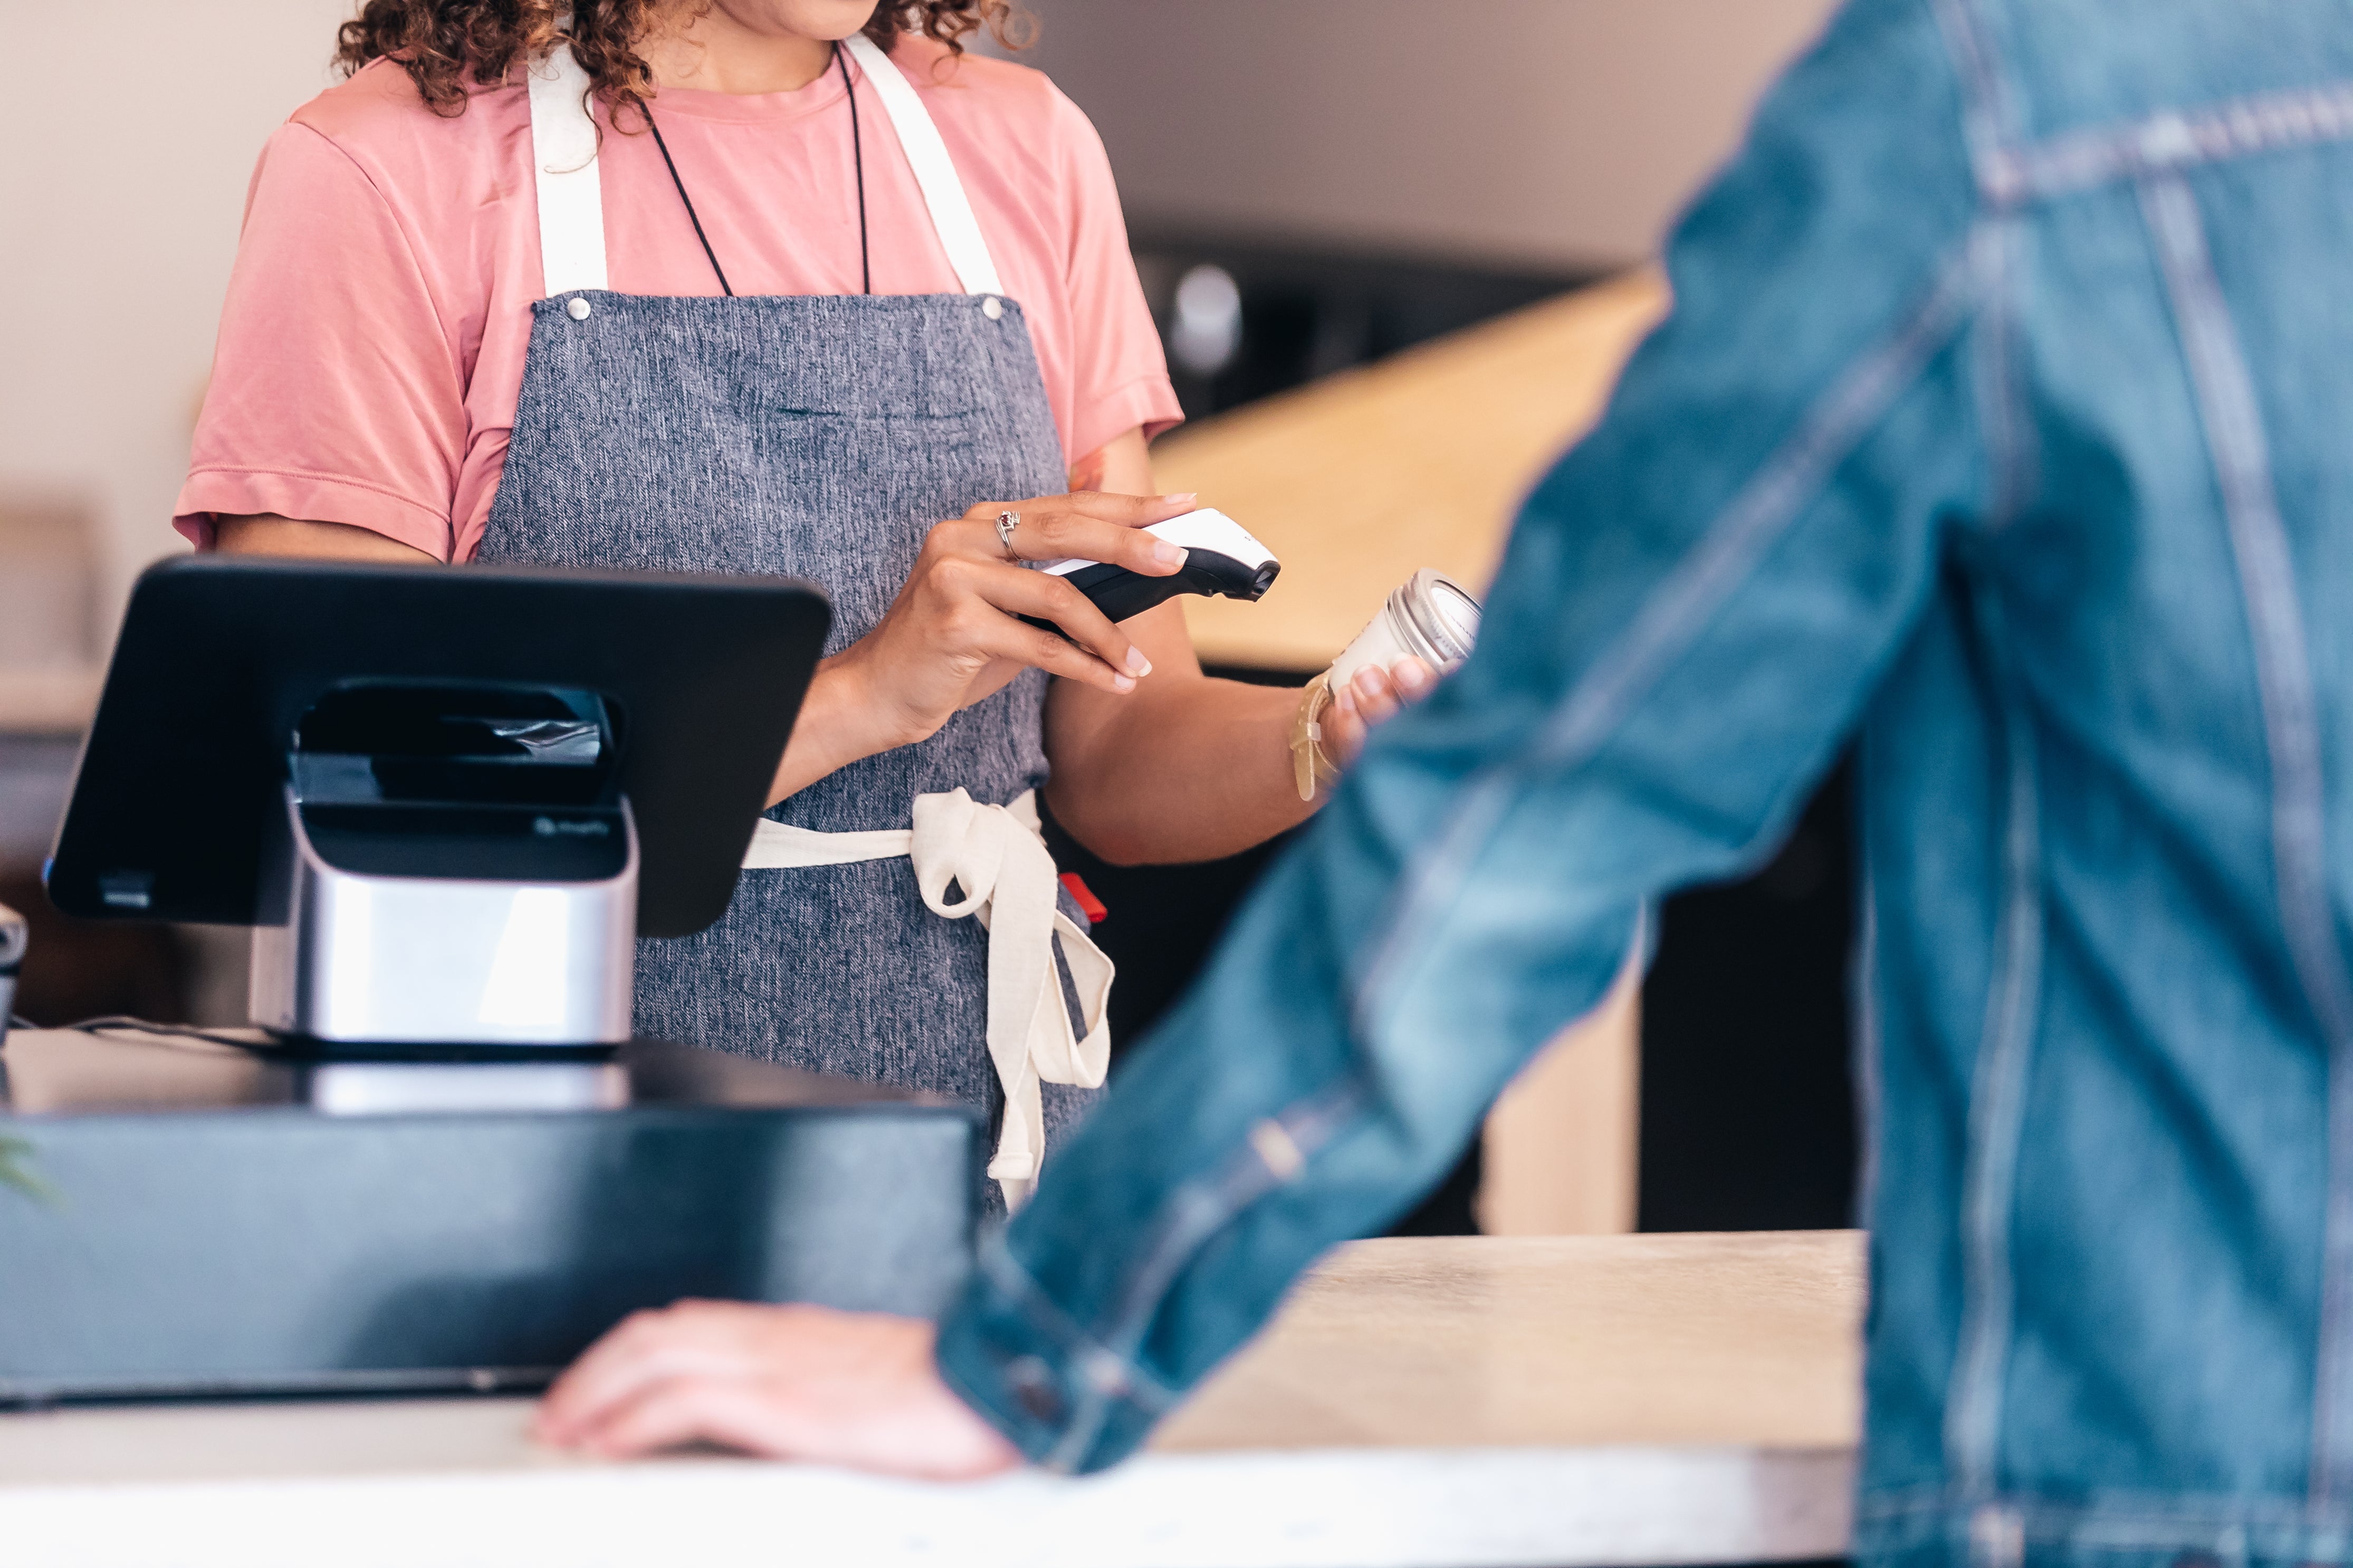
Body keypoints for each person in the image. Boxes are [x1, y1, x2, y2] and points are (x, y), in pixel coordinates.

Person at [536, 0, 2353, 1551]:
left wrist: (1036, 1343)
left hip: (2168, 1447)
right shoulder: (397, 173)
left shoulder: (2008, 110)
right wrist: (864, 692)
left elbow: (1547, 800)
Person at [176, 0, 1429, 1206]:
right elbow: (370, 800)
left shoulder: (1022, 147)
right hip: (537, 1157)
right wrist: (864, 696)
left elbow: (1111, 749)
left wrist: (1330, 730)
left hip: (974, 1146)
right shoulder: (384, 170)